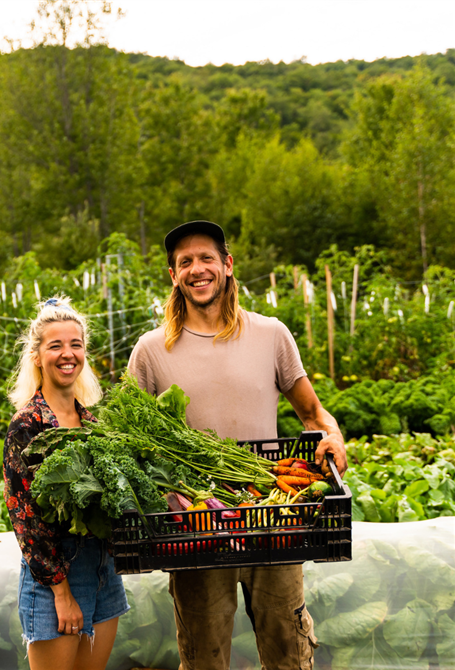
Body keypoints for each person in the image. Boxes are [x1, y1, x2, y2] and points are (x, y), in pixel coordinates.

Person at [127, 220, 347, 670]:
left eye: (206, 258)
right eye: (184, 261)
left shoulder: (271, 334)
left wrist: (333, 434)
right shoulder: (150, 351)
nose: (196, 269)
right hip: (196, 527)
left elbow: (312, 413)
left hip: (273, 515)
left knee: (289, 651)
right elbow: (131, 441)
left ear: (227, 265)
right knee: (204, 657)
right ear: (174, 276)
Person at [3, 296, 129, 670]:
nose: (67, 354)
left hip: (103, 571)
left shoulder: (93, 424)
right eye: (55, 345)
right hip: (55, 576)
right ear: (37, 356)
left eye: (75, 344)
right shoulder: (27, 426)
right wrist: (61, 592)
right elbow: (24, 518)